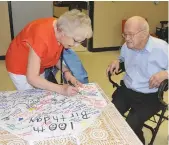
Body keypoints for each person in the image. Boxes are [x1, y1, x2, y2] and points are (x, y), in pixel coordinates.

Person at [106, 16, 168, 144]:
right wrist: (117, 61)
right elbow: (122, 59)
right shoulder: (126, 46)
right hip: (126, 91)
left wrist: (166, 73)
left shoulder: (162, 48)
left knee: (130, 126)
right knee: (109, 117)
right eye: (125, 34)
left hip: (150, 96)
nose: (126, 38)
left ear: (144, 34)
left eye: (130, 34)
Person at [5, 9, 92, 96]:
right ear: (63, 33)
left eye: (80, 42)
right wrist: (61, 89)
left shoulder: (60, 30)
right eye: (75, 41)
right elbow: (32, 78)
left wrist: (66, 72)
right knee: (31, 97)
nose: (76, 45)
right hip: (19, 66)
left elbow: (52, 55)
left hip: (39, 65)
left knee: (43, 93)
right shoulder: (42, 37)